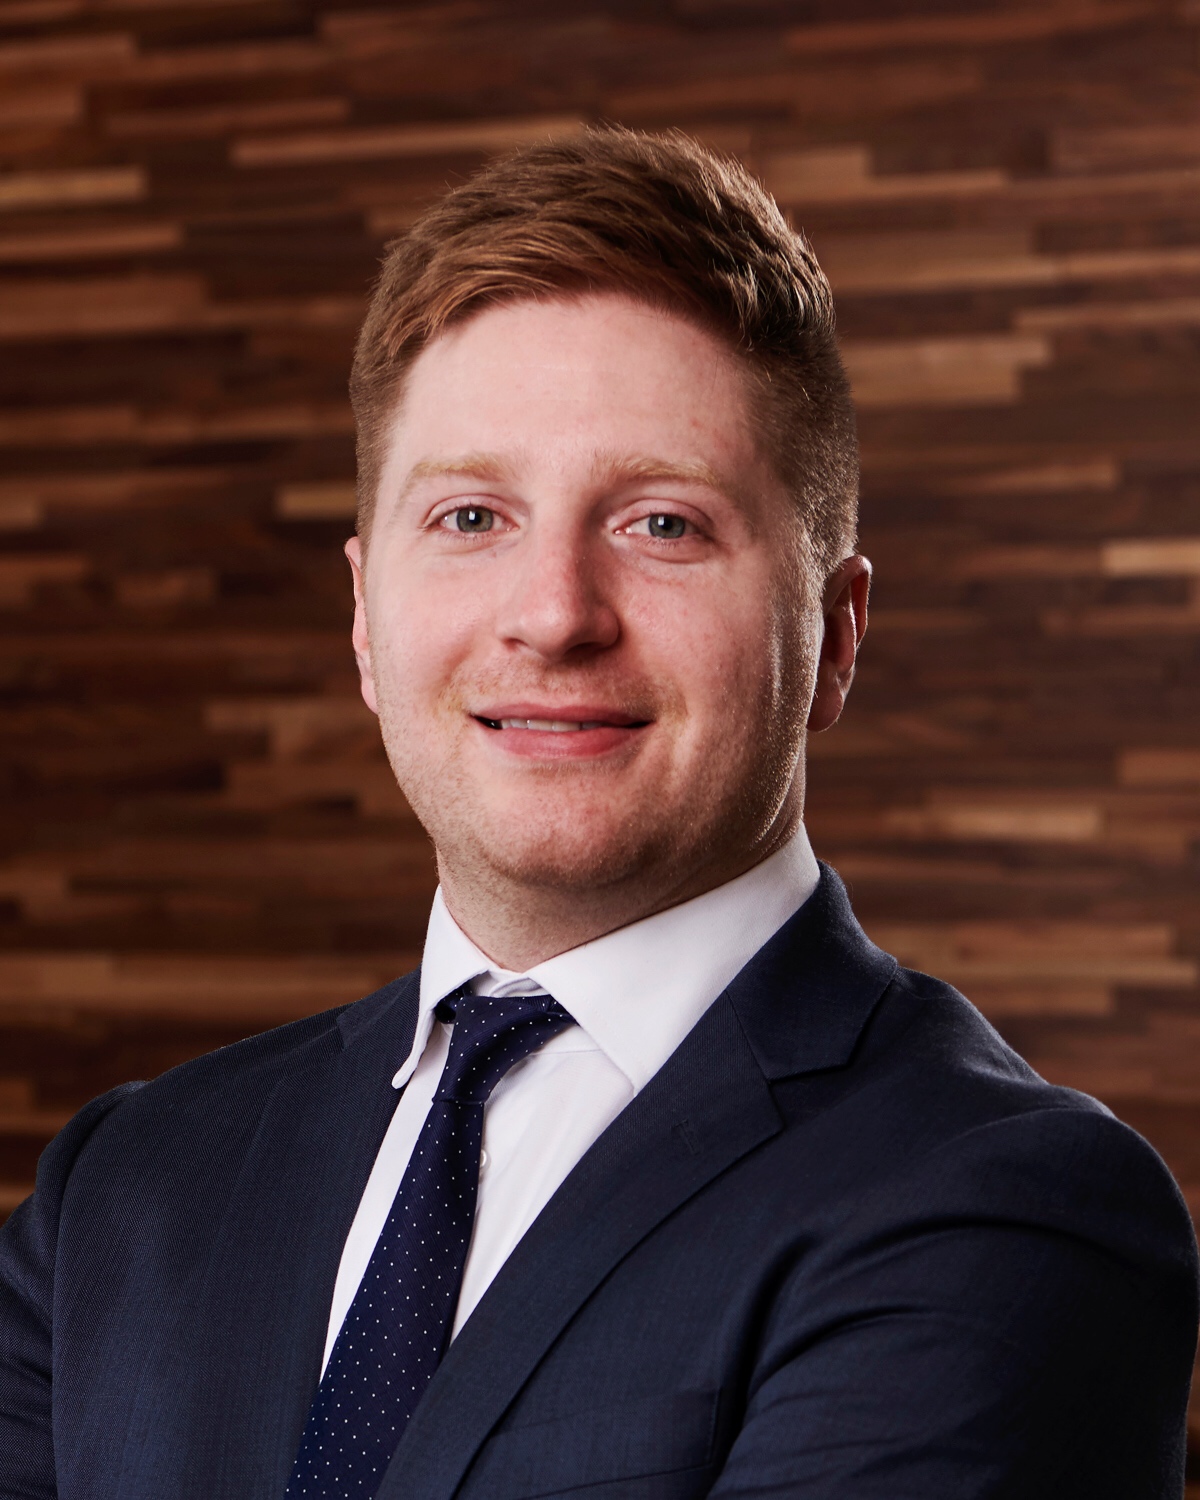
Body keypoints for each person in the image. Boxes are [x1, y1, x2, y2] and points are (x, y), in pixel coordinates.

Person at [0, 128, 1196, 1500]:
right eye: (470, 518)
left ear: (836, 636)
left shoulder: (1004, 1210)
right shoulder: (126, 1189)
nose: (555, 614)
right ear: (364, 618)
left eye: (663, 524)